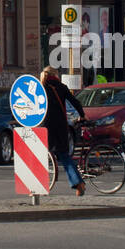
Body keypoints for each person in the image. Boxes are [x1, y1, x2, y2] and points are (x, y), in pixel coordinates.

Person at [40, 67, 87, 197]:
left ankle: (38, 184)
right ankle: (78, 183)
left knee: (41, 154)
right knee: (64, 155)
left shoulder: (40, 88)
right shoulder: (61, 87)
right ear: (55, 75)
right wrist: (82, 115)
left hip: (45, 126)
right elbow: (75, 102)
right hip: (61, 126)